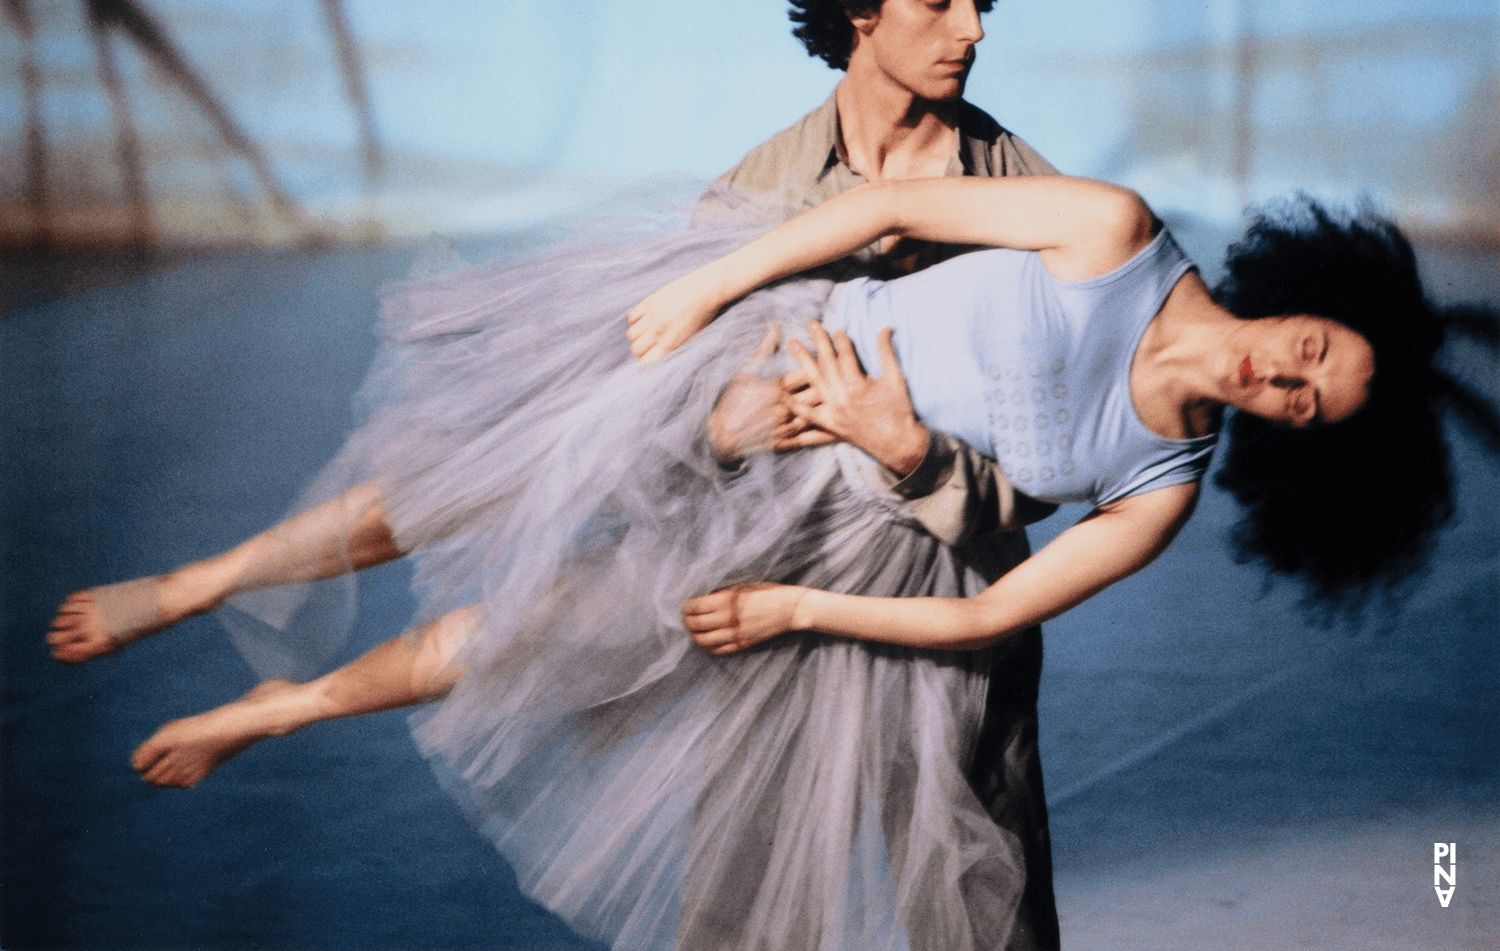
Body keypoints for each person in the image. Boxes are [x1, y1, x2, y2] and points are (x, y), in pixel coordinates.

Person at [55, 172, 1494, 951]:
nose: (1281, 381)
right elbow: (884, 218)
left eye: (1308, 403)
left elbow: (990, 600)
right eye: (1307, 352)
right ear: (1300, 302)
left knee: (534, 635)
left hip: (820, 530)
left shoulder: (1159, 486)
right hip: (761, 354)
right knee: (463, 480)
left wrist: (801, 600)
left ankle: (268, 713)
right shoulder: (1112, 230)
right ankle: (199, 582)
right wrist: (704, 285)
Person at [695, 0, 1065, 943]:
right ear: (862, 7)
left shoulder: (1028, 194)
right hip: (783, 571)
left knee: (983, 896)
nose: (975, 29)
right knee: (740, 883)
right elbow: (671, 424)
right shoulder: (753, 196)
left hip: (955, 587)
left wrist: (920, 463)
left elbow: (1060, 452)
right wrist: (733, 425)